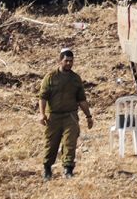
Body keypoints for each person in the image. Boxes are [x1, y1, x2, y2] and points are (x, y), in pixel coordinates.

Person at [37, 47, 94, 180]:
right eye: (66, 61)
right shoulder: (50, 77)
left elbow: (82, 100)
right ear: (60, 61)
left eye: (71, 61)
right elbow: (42, 97)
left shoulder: (75, 79)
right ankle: (47, 169)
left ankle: (68, 170)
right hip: (54, 116)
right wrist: (42, 114)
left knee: (70, 143)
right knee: (51, 143)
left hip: (70, 116)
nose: (69, 63)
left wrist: (89, 116)